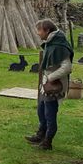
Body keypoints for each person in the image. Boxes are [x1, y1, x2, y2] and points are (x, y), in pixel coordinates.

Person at [26, 19, 73, 151]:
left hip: (54, 85)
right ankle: (40, 135)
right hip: (46, 84)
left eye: (40, 30)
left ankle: (48, 142)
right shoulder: (51, 43)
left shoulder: (60, 45)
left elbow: (67, 67)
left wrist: (51, 77)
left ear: (47, 31)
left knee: (50, 114)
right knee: (41, 110)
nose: (38, 33)